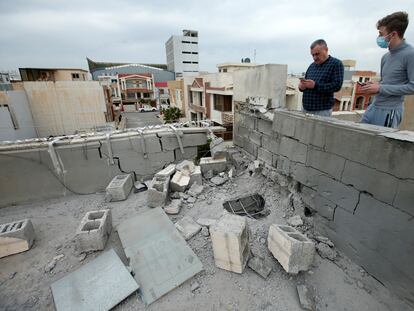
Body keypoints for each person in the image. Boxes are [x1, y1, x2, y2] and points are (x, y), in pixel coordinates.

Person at [361, 11, 414, 128]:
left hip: (389, 111)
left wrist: (380, 87)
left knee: (379, 146)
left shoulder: (410, 54)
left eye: (381, 34)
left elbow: (412, 87)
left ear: (393, 34)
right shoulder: (385, 57)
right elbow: (386, 83)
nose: (379, 37)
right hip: (373, 107)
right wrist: (375, 86)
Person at [299, 39, 344, 116]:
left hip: (322, 111)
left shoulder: (336, 64)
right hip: (305, 109)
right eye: (312, 55)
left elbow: (337, 86)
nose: (315, 57)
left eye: (317, 54)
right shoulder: (312, 66)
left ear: (326, 50)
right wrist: (301, 87)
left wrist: (315, 85)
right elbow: (306, 85)